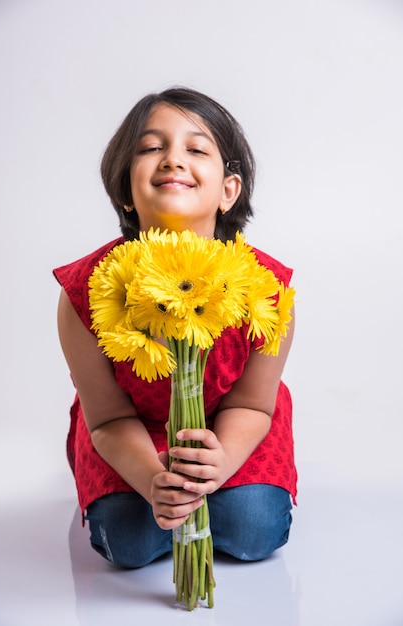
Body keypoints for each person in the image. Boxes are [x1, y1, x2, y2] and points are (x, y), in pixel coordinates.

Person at [54, 86, 297, 569]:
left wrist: (222, 461)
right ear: (125, 188)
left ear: (229, 190)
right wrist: (151, 480)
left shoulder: (265, 288)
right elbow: (105, 417)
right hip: (130, 432)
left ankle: (219, 497)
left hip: (236, 426)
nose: (172, 160)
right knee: (130, 544)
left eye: (197, 148)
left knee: (253, 531)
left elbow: (253, 402)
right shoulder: (87, 290)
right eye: (150, 148)